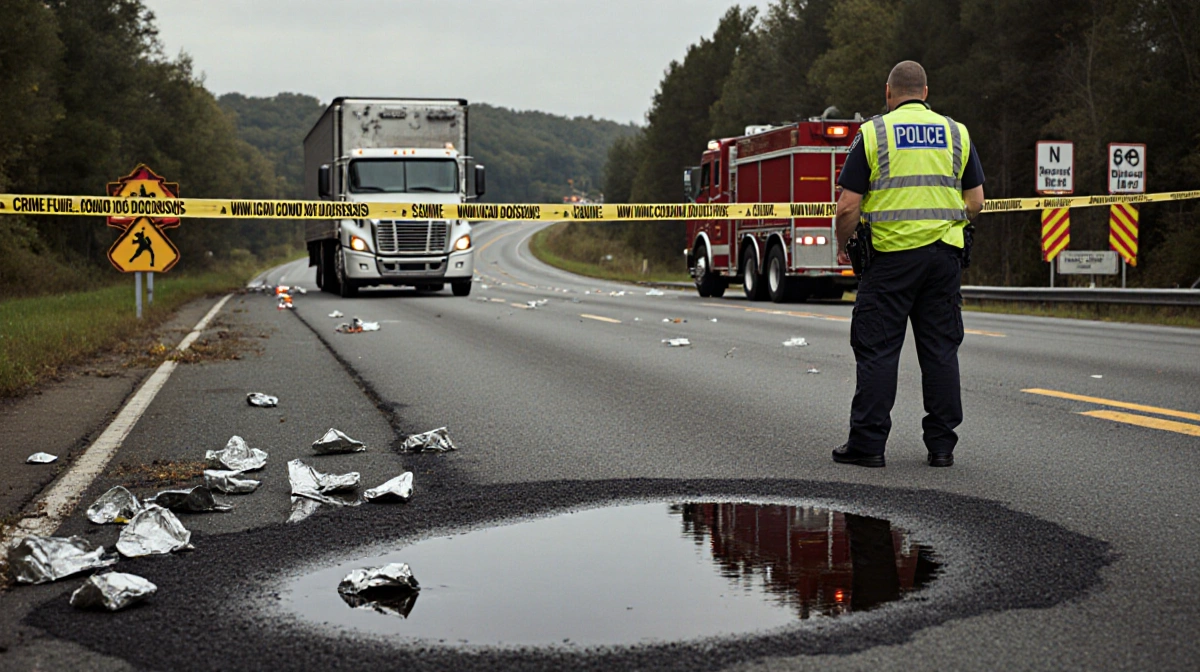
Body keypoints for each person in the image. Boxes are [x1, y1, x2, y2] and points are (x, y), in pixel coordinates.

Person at [831, 60, 985, 468]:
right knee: (939, 351)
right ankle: (941, 447)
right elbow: (976, 202)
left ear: (888, 92)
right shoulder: (957, 133)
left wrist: (843, 244)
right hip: (943, 260)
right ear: (926, 92)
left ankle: (868, 446)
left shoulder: (874, 133)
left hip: (890, 260)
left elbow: (848, 204)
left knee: (879, 350)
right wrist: (948, 227)